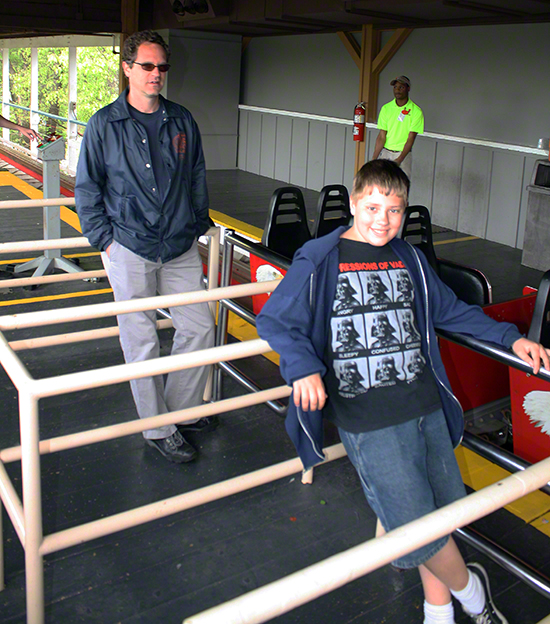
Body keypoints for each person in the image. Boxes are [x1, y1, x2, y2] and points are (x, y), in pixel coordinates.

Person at [256, 159, 550, 624]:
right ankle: (472, 593)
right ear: (354, 203)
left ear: (404, 210)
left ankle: (438, 608)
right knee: (416, 528)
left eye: (394, 210)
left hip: (424, 407)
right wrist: (303, 368)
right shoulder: (322, 257)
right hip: (368, 419)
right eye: (372, 207)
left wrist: (512, 338)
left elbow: (450, 310)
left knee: (438, 514)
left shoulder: (408, 256)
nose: (382, 219)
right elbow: (275, 319)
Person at [75, 30, 216, 464]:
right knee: (141, 342)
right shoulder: (104, 124)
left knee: (200, 327)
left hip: (178, 244)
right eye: (148, 66)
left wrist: (196, 227)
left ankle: (175, 412)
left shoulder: (181, 119)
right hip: (130, 246)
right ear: (128, 68)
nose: (156, 75)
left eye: (162, 67)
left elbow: (195, 176)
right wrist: (105, 241)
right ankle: (157, 428)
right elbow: (87, 187)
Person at [372, 76, 424, 178]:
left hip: (403, 154)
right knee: (383, 186)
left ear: (408, 88)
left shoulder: (416, 111)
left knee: (401, 187)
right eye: (395, 87)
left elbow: (411, 138)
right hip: (386, 153)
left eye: (401, 87)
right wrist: (374, 159)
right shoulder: (386, 108)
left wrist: (399, 160)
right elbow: (382, 136)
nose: (397, 90)